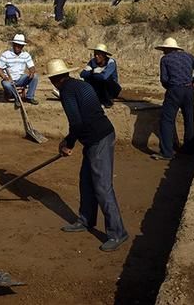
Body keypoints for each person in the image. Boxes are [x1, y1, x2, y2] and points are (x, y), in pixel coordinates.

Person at [46, 59, 128, 252]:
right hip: (95, 138)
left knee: (102, 187)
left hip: (99, 139)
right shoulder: (80, 84)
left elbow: (76, 123)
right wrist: (69, 140)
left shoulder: (66, 92)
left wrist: (69, 143)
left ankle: (118, 232)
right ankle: (86, 220)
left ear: (53, 80)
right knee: (86, 181)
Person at [151, 37, 194, 161]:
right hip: (189, 90)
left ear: (166, 49)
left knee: (167, 120)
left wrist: (170, 87)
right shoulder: (188, 56)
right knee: (189, 118)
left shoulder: (165, 59)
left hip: (175, 90)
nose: (163, 51)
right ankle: (189, 148)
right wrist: (192, 81)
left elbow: (164, 79)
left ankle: (166, 152)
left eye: (164, 49)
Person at [0, 34, 39, 106]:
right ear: (13, 44)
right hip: (9, 79)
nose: (17, 47)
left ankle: (29, 97)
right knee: (6, 84)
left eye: (20, 45)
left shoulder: (26, 55)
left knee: (35, 76)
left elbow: (32, 67)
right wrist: (5, 77)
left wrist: (31, 72)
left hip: (21, 78)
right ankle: (17, 98)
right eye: (16, 45)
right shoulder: (6, 54)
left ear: (22, 46)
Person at [80, 43, 122, 108]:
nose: (96, 56)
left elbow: (104, 77)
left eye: (99, 54)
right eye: (95, 54)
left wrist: (92, 73)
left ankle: (108, 101)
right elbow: (82, 74)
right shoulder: (92, 62)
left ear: (104, 55)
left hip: (112, 89)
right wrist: (93, 72)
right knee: (87, 80)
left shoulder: (111, 62)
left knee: (105, 79)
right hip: (99, 87)